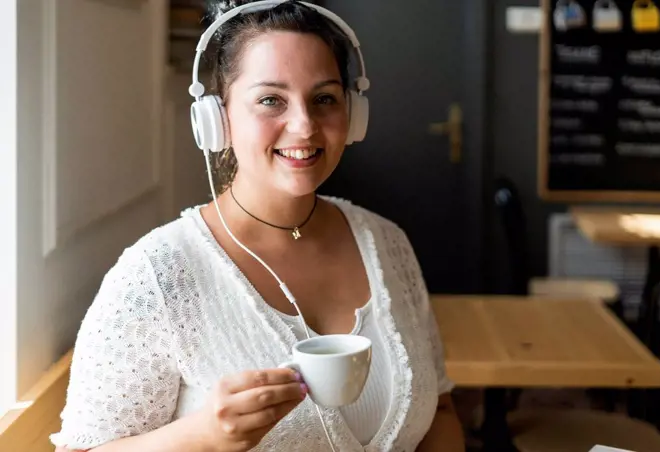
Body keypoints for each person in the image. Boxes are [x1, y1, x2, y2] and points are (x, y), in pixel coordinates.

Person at [51, 1, 464, 451]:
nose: (304, 126)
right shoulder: (156, 277)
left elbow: (439, 410)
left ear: (354, 114)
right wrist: (204, 437)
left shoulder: (387, 243)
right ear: (216, 118)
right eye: (271, 100)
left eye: (324, 98)